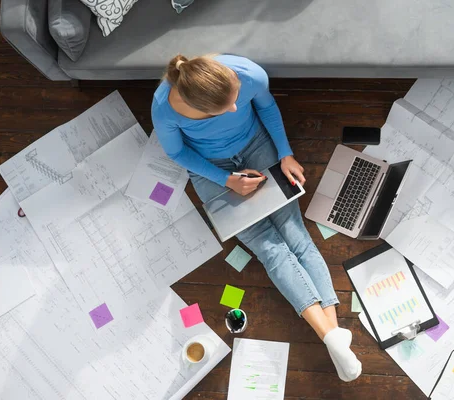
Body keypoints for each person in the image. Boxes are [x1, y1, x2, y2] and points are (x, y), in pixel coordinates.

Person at [152, 54, 362, 382]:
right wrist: (227, 181)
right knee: (271, 249)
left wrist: (285, 153)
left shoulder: (248, 74)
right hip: (211, 170)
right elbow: (178, 153)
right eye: (227, 106)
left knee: (295, 235)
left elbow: (266, 108)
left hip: (256, 145)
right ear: (203, 109)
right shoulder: (164, 107)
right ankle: (334, 338)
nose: (236, 108)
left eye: (236, 99)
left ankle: (333, 339)